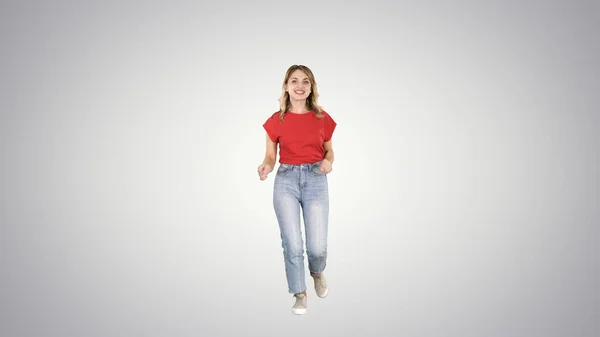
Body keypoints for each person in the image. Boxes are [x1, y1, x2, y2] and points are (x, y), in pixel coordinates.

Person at [257, 64, 337, 315]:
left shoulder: (322, 117)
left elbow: (329, 151)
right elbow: (271, 156)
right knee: (291, 243)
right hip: (286, 181)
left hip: (315, 179)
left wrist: (328, 162)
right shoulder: (275, 120)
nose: (299, 86)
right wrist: (266, 167)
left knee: (317, 246)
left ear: (311, 87)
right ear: (286, 86)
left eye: (305, 81)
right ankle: (299, 293)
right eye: (294, 81)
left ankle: (317, 272)